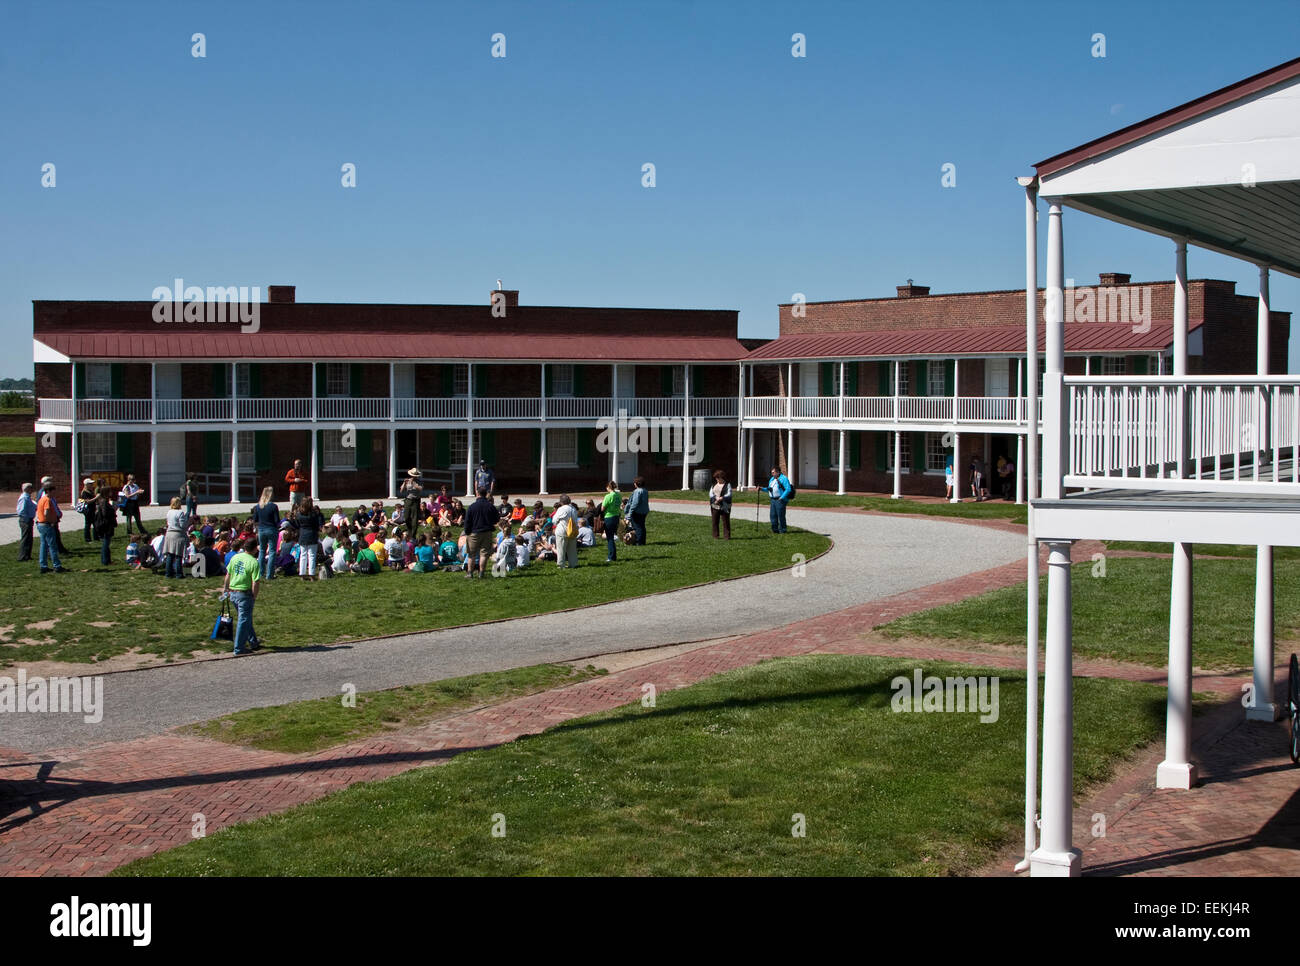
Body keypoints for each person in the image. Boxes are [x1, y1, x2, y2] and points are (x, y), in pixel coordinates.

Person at [222, 537, 263, 656]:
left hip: (233, 592)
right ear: (255, 549)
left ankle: (253, 641)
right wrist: (254, 596)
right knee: (244, 619)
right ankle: (239, 648)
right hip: (244, 593)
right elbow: (256, 582)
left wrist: (225, 589)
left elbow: (228, 574)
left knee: (245, 618)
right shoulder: (253, 562)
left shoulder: (235, 557)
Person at [463, 487, 497, 578]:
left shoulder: (472, 506)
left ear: (477, 493)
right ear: (486, 494)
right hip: (487, 532)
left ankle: (470, 573)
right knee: (484, 554)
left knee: (471, 554)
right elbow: (496, 518)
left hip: (474, 532)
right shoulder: (490, 506)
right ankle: (481, 573)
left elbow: (467, 521)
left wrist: (467, 531)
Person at [35, 477, 66, 573]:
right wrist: (51, 522)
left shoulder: (41, 499)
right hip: (47, 525)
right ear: (48, 491)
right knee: (52, 546)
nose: (54, 493)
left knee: (43, 545)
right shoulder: (47, 500)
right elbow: (46, 513)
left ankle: (43, 566)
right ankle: (57, 565)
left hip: (41, 524)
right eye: (53, 491)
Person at [251, 486, 281, 581]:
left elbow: (255, 519)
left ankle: (260, 573)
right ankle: (270, 574)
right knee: (272, 551)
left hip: (261, 529)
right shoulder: (273, 506)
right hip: (271, 529)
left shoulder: (258, 506)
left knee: (262, 551)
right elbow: (277, 520)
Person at [296, 497, 325, 580]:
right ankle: (311, 574)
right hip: (312, 534)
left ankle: (302, 573)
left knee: (303, 555)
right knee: (312, 555)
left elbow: (298, 524)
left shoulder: (299, 514)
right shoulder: (313, 514)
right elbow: (316, 525)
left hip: (302, 534)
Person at [162, 496, 189, 579]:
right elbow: (182, 525)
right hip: (177, 534)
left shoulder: (169, 512)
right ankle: (178, 574)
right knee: (178, 555)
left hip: (169, 534)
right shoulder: (180, 513)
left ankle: (168, 573)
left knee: (170, 555)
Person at [552, 495, 579, 569]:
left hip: (562, 530)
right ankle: (573, 563)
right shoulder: (573, 508)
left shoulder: (561, 509)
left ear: (561, 502)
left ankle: (561, 565)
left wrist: (557, 523)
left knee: (561, 549)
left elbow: (554, 520)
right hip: (573, 530)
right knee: (572, 549)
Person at [92, 489, 117, 565]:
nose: (111, 492)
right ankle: (105, 560)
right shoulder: (104, 502)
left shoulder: (103, 501)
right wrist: (113, 510)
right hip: (106, 525)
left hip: (105, 525)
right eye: (109, 491)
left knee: (106, 543)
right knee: (106, 543)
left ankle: (107, 560)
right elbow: (105, 514)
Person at [600, 481, 621, 562]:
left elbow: (602, 508)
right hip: (616, 516)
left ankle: (611, 556)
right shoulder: (618, 495)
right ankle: (613, 555)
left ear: (608, 487)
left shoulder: (608, 496)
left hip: (609, 517)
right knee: (612, 536)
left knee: (610, 538)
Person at [767, 466, 792, 534]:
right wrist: (762, 489)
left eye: (773, 472)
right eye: (772, 473)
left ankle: (783, 529)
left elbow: (788, 489)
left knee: (781, 515)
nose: (772, 474)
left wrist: (782, 497)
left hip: (780, 500)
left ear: (778, 472)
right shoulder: (772, 479)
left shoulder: (784, 478)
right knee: (773, 515)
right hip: (773, 500)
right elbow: (769, 489)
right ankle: (775, 529)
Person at [709, 469, 733, 540]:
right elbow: (710, 494)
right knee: (715, 521)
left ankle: (727, 536)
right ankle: (715, 536)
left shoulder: (728, 485)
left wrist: (722, 498)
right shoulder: (714, 485)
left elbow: (729, 494)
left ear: (722, 477)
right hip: (715, 506)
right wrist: (716, 498)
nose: (716, 479)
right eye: (716, 478)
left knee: (726, 521)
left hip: (725, 506)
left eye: (718, 478)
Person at [626, 476, 649, 545]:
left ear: (636, 484)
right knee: (642, 526)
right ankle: (642, 541)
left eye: (634, 483)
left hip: (637, 512)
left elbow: (634, 503)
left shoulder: (637, 491)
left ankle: (639, 542)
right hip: (644, 511)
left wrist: (629, 515)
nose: (634, 484)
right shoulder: (645, 490)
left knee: (637, 527)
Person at [16, 482, 36, 562]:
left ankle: (27, 555)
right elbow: (21, 511)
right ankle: (22, 556)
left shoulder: (27, 497)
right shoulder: (24, 498)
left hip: (28, 520)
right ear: (27, 489)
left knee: (29, 538)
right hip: (25, 520)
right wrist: (27, 519)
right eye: (31, 488)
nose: (32, 489)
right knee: (25, 538)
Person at [79, 477, 98, 542]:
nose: (92, 485)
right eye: (90, 484)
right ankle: (87, 539)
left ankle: (96, 537)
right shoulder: (84, 492)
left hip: (92, 509)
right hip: (88, 510)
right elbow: (88, 501)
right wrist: (96, 498)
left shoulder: (90, 491)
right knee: (88, 524)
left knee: (95, 524)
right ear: (86, 484)